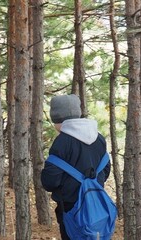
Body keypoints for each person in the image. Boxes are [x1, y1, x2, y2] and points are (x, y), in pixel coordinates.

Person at [41, 94, 111, 240]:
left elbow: (49, 181)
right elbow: (106, 169)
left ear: (58, 119)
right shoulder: (99, 138)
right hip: (96, 205)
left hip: (71, 208)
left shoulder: (61, 143)